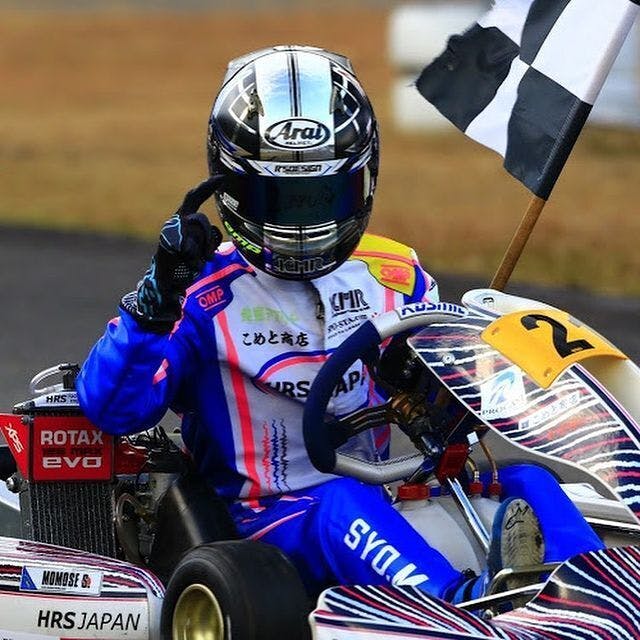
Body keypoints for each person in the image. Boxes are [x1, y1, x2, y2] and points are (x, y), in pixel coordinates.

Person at [77, 45, 602, 601]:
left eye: (322, 196)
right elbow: (113, 410)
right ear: (232, 190)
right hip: (263, 520)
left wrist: (458, 386)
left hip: (384, 492)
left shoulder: (395, 276)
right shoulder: (200, 296)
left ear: (362, 182)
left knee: (527, 480)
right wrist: (155, 299)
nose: (303, 225)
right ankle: (460, 605)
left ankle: (592, 597)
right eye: (280, 199)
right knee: (341, 503)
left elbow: (455, 403)